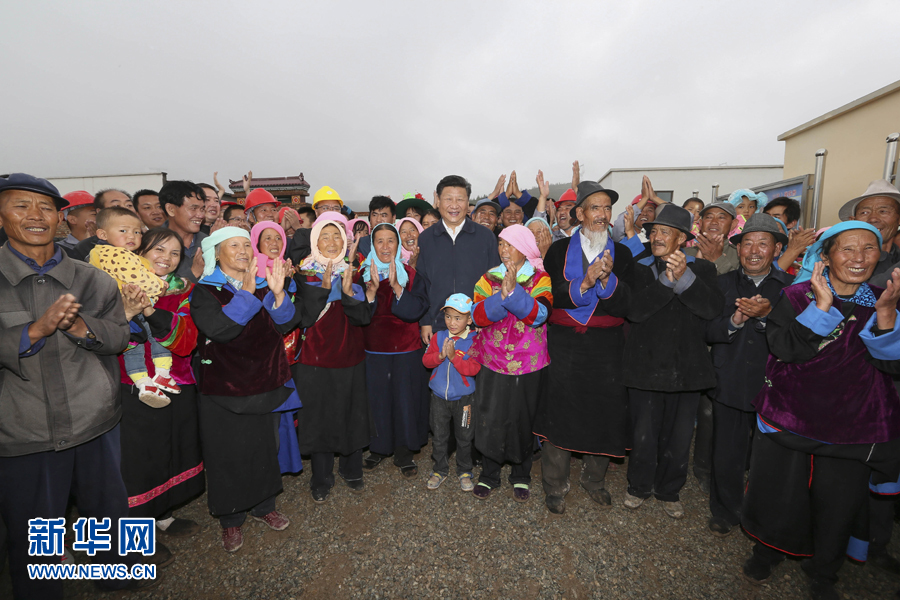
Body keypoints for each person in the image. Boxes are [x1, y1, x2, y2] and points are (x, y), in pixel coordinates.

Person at [0, 174, 150, 597]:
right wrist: (32, 332)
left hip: (94, 422)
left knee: (108, 515)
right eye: (21, 205)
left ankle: (116, 576)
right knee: (36, 532)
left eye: (46, 208)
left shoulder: (93, 279)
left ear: (60, 219)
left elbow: (119, 336)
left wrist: (83, 327)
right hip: (24, 432)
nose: (36, 215)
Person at [740, 221, 900, 600]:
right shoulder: (796, 296)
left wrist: (886, 316)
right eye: (848, 249)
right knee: (779, 494)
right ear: (826, 257)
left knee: (838, 505)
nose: (859, 258)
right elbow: (785, 349)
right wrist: (823, 307)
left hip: (852, 427)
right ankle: (767, 552)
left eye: (869, 248)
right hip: (790, 418)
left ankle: (825, 571)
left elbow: (893, 367)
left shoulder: (885, 300)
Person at [191, 226, 303, 552]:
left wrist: (278, 295)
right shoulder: (205, 291)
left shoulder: (262, 282)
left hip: (263, 381)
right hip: (223, 388)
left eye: (245, 245)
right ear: (216, 254)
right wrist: (248, 293)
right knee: (226, 454)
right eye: (233, 245)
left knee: (264, 448)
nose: (243, 251)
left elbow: (284, 323)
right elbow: (220, 329)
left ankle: (264, 506)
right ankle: (231, 519)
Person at [533, 181, 634, 514]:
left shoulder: (624, 253)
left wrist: (607, 281)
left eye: (607, 208)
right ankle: (555, 484)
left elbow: (629, 304)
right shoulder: (558, 251)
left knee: (604, 412)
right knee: (559, 411)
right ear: (579, 214)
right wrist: (586, 282)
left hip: (607, 347)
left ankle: (594, 480)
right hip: (565, 344)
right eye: (595, 208)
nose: (602, 215)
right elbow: (550, 296)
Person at [622, 204, 724, 519]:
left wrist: (684, 278)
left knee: (679, 438)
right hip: (645, 368)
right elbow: (634, 311)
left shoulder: (703, 269)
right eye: (653, 231)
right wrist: (666, 282)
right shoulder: (639, 268)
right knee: (643, 434)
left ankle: (669, 491)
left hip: (687, 370)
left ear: (681, 238)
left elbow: (711, 309)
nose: (656, 237)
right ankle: (638, 486)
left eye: (664, 232)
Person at [117, 227, 204, 568]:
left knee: (171, 453)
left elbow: (187, 341)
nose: (166, 258)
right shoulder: (115, 286)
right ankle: (135, 541)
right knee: (139, 464)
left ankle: (163, 516)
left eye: (174, 253)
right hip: (133, 387)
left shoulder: (183, 291)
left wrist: (152, 312)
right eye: (158, 250)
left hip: (176, 381)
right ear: (140, 252)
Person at [703, 214, 791, 537]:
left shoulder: (791, 288)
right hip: (729, 379)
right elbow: (706, 329)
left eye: (763, 244)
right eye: (747, 244)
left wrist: (767, 317)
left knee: (768, 457)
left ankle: (761, 515)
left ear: (777, 249)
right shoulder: (722, 283)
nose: (754, 251)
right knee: (726, 451)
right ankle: (725, 510)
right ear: (738, 250)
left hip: (774, 386)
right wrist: (734, 321)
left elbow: (796, 338)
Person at [467, 224, 552, 501]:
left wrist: (514, 293)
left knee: (522, 417)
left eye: (510, 245)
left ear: (525, 249)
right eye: (501, 244)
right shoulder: (488, 278)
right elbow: (477, 316)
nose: (504, 250)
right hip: (493, 361)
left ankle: (521, 475)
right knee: (490, 417)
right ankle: (489, 474)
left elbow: (540, 315)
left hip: (528, 364)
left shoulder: (540, 278)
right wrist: (501, 296)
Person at [293, 218, 373, 502]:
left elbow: (363, 317)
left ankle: (352, 469)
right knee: (319, 418)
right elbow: (302, 317)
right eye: (324, 236)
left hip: (350, 354)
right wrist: (323, 290)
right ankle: (321, 476)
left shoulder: (354, 271)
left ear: (344, 241)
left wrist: (349, 292)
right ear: (315, 242)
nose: (331, 242)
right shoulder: (302, 274)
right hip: (315, 358)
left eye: (336, 236)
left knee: (351, 412)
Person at [89, 207, 179, 408]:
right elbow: (138, 278)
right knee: (155, 334)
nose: (131, 236)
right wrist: (160, 286)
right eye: (123, 230)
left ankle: (144, 383)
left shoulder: (104, 253)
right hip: (125, 306)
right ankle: (162, 373)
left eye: (137, 231)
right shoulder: (115, 254)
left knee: (134, 346)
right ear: (102, 234)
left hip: (120, 307)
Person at [360, 223, 431, 477]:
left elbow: (417, 309)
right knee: (377, 403)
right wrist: (370, 294)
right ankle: (379, 448)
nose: (385, 246)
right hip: (373, 351)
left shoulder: (410, 275)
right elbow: (358, 316)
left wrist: (397, 288)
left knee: (405, 403)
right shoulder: (362, 275)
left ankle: (404, 451)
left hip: (406, 351)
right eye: (379, 241)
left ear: (398, 244)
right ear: (372, 245)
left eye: (391, 240)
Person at [416, 175, 500, 346]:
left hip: (477, 326)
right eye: (448, 199)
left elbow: (495, 281)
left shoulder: (485, 237)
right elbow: (422, 283)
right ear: (438, 201)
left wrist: (486, 317)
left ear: (468, 202)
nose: (454, 205)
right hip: (438, 326)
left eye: (460, 199)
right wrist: (425, 321)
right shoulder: (425, 238)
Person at [250, 221, 304, 475]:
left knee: (282, 418)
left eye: (278, 238)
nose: (274, 243)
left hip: (287, 354)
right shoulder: (249, 274)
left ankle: (281, 468)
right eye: (267, 238)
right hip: (261, 358)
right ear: (256, 243)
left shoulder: (289, 272)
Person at [422, 293, 481, 491]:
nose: (452, 322)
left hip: (464, 399)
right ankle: (439, 470)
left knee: (465, 436)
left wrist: (454, 357)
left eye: (458, 318)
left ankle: (465, 471)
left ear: (469, 319)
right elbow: (426, 361)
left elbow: (473, 369)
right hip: (439, 397)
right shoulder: (439, 337)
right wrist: (440, 356)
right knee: (439, 435)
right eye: (448, 316)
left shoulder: (474, 340)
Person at [842, 179, 900, 285]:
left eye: (883, 211)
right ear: (853, 220)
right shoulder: (840, 258)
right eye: (864, 212)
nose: (873, 219)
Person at [160, 180, 209, 282]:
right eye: (193, 208)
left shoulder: (208, 242)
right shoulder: (152, 244)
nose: (200, 215)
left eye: (202, 209)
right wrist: (193, 273)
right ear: (171, 209)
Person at [289, 186, 345, 263]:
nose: (331, 211)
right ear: (316, 212)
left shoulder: (345, 234)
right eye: (325, 208)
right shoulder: (303, 235)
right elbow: (298, 260)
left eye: (336, 208)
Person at [684, 202, 740, 274]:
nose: (714, 222)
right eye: (709, 217)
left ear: (733, 224)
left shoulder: (740, 255)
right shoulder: (685, 254)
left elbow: (743, 280)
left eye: (721, 217)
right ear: (701, 223)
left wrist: (718, 260)